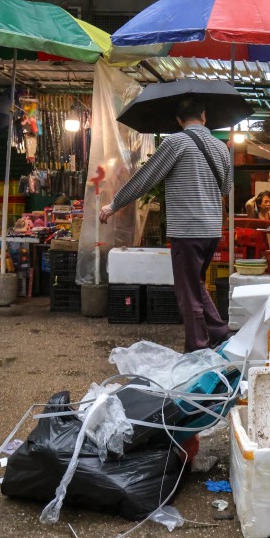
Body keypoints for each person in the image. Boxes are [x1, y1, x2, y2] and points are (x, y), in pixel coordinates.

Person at [99, 97, 231, 352]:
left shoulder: (175, 142)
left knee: (188, 292)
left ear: (179, 120)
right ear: (204, 116)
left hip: (187, 231)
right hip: (212, 230)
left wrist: (114, 204)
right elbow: (225, 187)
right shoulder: (221, 147)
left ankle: (196, 349)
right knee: (196, 284)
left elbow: (146, 178)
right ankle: (219, 332)